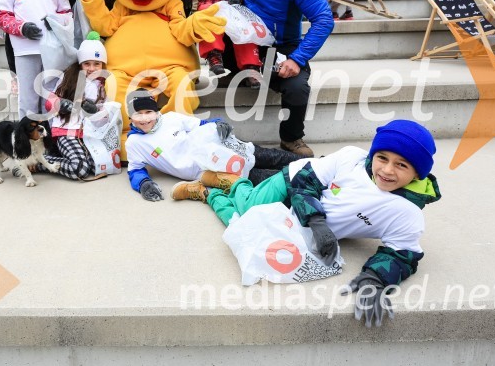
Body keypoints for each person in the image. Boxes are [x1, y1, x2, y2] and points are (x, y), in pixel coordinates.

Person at [173, 119, 440, 328]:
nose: (387, 170)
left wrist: (376, 279)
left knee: (241, 226)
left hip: (309, 217)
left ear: (418, 173)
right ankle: (232, 181)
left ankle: (209, 193)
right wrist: (317, 221)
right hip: (294, 183)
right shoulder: (350, 159)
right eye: (383, 158)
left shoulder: (407, 212)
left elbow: (402, 255)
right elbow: (304, 182)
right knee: (249, 207)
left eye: (402, 165)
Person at [242, 0, 334, 158]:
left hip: (282, 47)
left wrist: (297, 58)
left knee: (296, 89)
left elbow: (324, 20)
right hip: (248, 42)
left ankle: (291, 138)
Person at [125, 89, 302, 202]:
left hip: (215, 149)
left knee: (266, 155)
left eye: (149, 112)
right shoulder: (134, 143)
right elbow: (135, 170)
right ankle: (302, 179)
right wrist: (143, 183)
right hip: (205, 171)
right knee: (259, 176)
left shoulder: (171, 118)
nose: (145, 118)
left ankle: (312, 164)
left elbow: (200, 125)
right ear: (130, 117)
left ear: (156, 112)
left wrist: (218, 122)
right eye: (138, 114)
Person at [39, 32, 108, 180]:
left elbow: (104, 118)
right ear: (80, 63)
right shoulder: (70, 78)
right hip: (66, 131)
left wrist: (96, 112)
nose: (92, 68)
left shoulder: (103, 84)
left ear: (103, 64)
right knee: (80, 169)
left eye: (97, 64)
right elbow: (49, 102)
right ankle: (39, 162)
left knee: (97, 165)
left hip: (88, 135)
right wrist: (60, 104)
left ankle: (53, 157)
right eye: (86, 63)